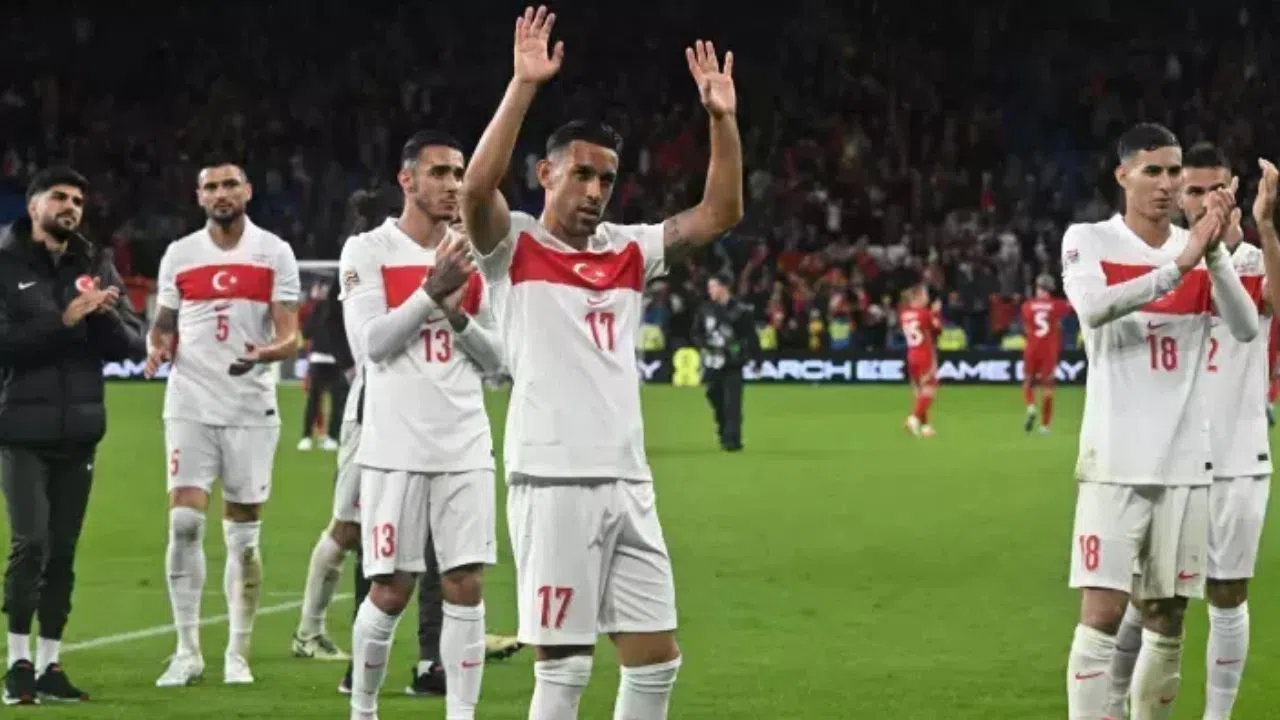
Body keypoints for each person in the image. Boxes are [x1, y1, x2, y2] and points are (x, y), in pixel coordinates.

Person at [460, 7, 742, 718]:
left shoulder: (629, 248)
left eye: (606, 179)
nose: (593, 190)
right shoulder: (513, 245)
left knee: (656, 663)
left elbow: (719, 214)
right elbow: (474, 191)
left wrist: (721, 121)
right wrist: (524, 86)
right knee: (564, 668)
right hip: (552, 477)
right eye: (580, 174)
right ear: (545, 173)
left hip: (628, 477)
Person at [1060, 123, 1258, 720]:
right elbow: (1093, 308)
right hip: (1115, 461)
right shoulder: (1090, 239)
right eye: (1153, 171)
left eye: (1175, 172)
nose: (1167, 184)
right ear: (1122, 175)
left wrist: (1212, 253)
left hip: (1186, 466)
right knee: (1101, 614)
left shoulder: (1197, 249)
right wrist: (1180, 264)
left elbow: (1245, 327)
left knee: (1167, 617)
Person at [1102, 146, 1280, 720]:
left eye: (1215, 189)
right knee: (1149, 599)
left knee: (1227, 594)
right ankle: (1109, 707)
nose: (1205, 201)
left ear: (1234, 190)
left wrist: (1266, 226)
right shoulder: (1167, 262)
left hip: (1237, 454)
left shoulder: (1255, 260)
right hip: (1168, 457)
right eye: (1194, 191)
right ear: (1179, 196)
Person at [341, 130, 504, 720]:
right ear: (406, 180)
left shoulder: (478, 253)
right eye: (439, 172)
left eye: (459, 172)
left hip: (465, 444)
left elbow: (500, 363)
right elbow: (371, 346)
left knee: (466, 584)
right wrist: (430, 292)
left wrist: (459, 318)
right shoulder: (367, 250)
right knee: (390, 589)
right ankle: (363, 710)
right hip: (395, 449)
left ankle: (461, 715)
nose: (454, 184)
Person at [144, 160, 302, 687]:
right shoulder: (180, 254)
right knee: (184, 524)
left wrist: (267, 353)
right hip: (189, 402)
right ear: (199, 197)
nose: (221, 193)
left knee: (244, 539)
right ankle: (186, 650)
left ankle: (238, 651)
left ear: (248, 191)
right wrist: (156, 348)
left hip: (249, 408)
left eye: (230, 184)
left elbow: (291, 335)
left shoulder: (274, 252)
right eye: (211, 186)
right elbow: (162, 326)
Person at [0, 167, 146, 705]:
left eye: (78, 200)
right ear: (33, 205)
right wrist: (63, 321)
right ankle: (16, 662)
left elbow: (131, 344)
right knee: (31, 544)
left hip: (79, 431)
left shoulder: (96, 263)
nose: (70, 207)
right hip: (19, 429)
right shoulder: (5, 264)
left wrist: (101, 318)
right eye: (58, 197)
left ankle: (49, 665)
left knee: (62, 552)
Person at [690, 273, 756, 451]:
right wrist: (705, 344)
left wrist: (753, 357)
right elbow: (696, 333)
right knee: (714, 396)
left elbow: (750, 336)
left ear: (724, 287)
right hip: (713, 362)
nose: (710, 290)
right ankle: (723, 428)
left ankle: (732, 440)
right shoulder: (705, 309)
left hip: (733, 363)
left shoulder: (741, 310)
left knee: (732, 402)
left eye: (713, 286)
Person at [1019, 274, 1073, 434]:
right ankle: (1045, 426)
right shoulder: (1057, 305)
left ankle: (1030, 406)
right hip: (1049, 351)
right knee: (1048, 388)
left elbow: (1026, 326)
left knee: (1028, 382)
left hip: (1031, 348)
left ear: (1038, 288)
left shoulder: (1027, 306)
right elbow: (1072, 307)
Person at [298, 280, 346, 451]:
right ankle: (327, 437)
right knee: (332, 401)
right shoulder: (339, 308)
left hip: (325, 359)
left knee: (317, 400)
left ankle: (309, 437)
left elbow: (306, 332)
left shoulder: (320, 309)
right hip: (330, 359)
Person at [898, 284, 941, 438]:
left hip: (911, 354)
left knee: (919, 391)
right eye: (925, 295)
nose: (927, 298)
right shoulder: (924, 313)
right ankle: (914, 418)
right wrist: (935, 313)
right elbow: (937, 329)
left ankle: (925, 426)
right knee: (929, 388)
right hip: (924, 355)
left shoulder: (904, 314)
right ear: (918, 297)